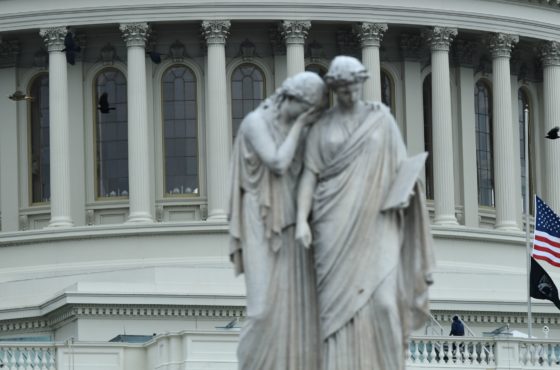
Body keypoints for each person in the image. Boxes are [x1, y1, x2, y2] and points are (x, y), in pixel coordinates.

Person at [296, 56, 435, 370]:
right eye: (343, 88)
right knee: (332, 312)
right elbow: (308, 175)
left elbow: (402, 167)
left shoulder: (381, 119)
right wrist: (302, 220)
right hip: (332, 220)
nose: (350, 93)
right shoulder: (322, 127)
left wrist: (409, 189)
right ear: (333, 87)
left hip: (378, 218)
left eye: (355, 86)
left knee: (385, 303)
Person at [228, 71, 327, 370]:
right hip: (259, 216)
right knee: (261, 312)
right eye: (307, 108)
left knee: (295, 312)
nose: (310, 115)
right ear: (292, 98)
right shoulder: (256, 123)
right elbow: (278, 163)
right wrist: (300, 125)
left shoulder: (301, 129)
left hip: (291, 222)